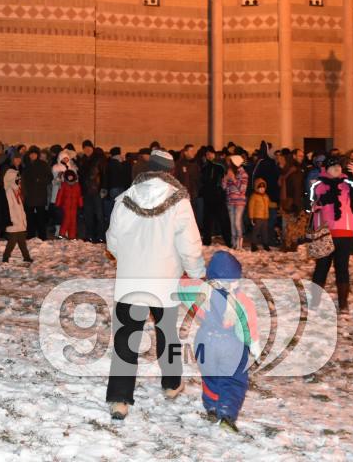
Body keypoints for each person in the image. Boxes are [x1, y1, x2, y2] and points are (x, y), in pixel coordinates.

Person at [105, 148, 206, 421]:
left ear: (148, 169)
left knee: (126, 338)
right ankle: (172, 384)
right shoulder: (180, 202)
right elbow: (190, 245)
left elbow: (112, 240)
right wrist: (196, 272)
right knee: (167, 333)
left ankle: (119, 398)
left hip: (131, 279)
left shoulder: (125, 198)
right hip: (164, 280)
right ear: (171, 172)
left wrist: (128, 257)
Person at [179, 251, 260, 433]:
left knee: (210, 376)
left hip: (205, 342)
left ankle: (212, 407)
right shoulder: (241, 300)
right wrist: (253, 343)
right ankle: (227, 412)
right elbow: (247, 325)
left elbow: (182, 288)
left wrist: (184, 275)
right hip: (232, 345)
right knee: (233, 379)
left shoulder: (200, 292)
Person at [309, 156, 353, 312]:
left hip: (344, 231)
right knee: (321, 267)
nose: (337, 169)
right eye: (333, 166)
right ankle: (315, 301)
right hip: (324, 232)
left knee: (342, 268)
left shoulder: (347, 183)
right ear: (326, 169)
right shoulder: (318, 184)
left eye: (339, 166)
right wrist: (317, 203)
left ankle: (343, 303)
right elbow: (310, 204)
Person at [1, 168, 32, 264]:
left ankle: (26, 257)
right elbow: (9, 208)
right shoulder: (9, 191)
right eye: (17, 178)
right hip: (14, 220)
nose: (20, 180)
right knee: (12, 241)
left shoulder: (16, 190)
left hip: (19, 219)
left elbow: (20, 206)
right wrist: (13, 219)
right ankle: (5, 258)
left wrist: (22, 218)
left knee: (22, 241)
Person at [222, 155, 248, 249]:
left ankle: (239, 244)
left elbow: (242, 189)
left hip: (239, 202)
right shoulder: (230, 172)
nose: (228, 164)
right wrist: (225, 179)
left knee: (237, 222)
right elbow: (224, 187)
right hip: (230, 201)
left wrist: (233, 179)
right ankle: (233, 243)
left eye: (230, 162)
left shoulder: (243, 174)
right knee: (232, 223)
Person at [54, 169, 83, 240]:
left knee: (73, 221)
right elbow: (59, 195)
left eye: (71, 177)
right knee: (66, 220)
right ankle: (61, 234)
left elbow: (79, 196)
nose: (70, 178)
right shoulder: (63, 185)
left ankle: (72, 236)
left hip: (74, 206)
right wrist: (57, 205)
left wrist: (81, 205)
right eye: (69, 177)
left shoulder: (77, 185)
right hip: (65, 206)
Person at [247, 178, 271, 252]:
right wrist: (251, 217)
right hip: (257, 217)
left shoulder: (266, 196)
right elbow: (251, 207)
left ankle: (265, 244)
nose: (262, 189)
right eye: (260, 188)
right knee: (256, 231)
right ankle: (253, 245)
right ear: (256, 188)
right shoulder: (254, 196)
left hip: (265, 217)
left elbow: (268, 205)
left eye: (263, 188)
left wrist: (275, 205)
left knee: (265, 231)